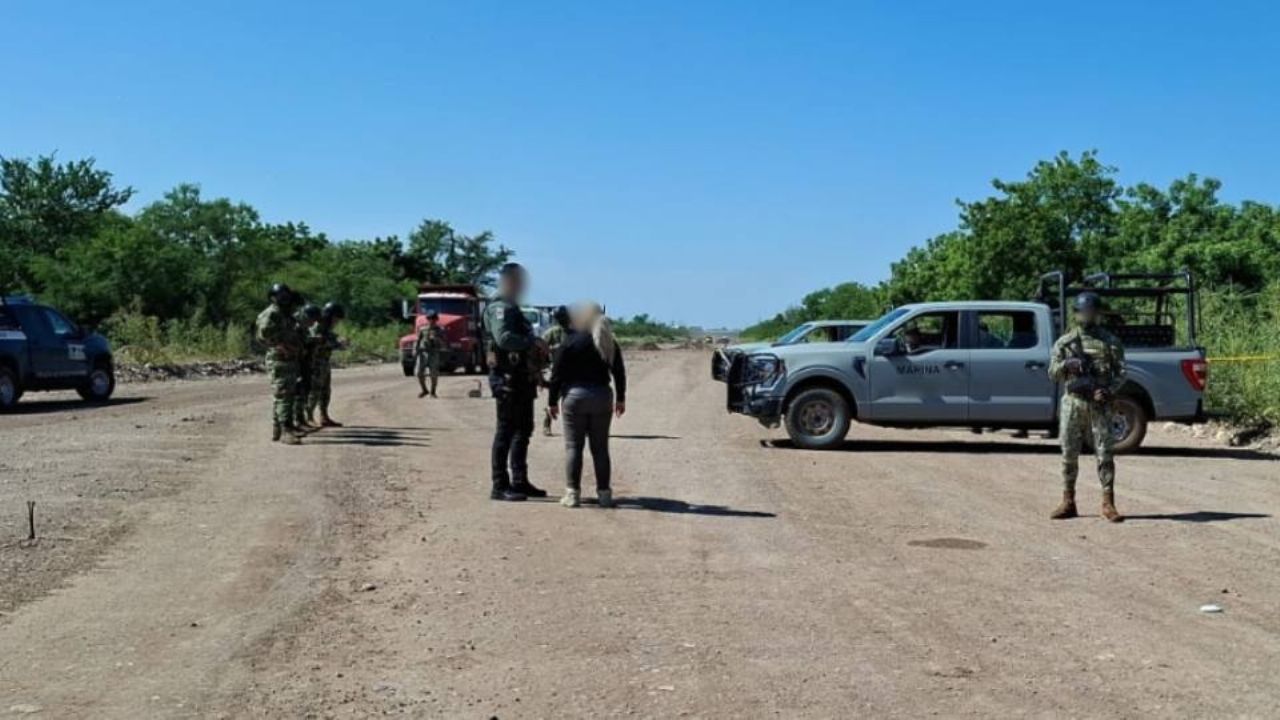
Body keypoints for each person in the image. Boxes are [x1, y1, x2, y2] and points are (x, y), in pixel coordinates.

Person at [1048, 292, 1127, 522]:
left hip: (1099, 404)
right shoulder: (1066, 342)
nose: (1088, 316)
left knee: (1105, 453)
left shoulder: (1109, 341)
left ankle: (1108, 503)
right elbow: (1052, 373)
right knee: (1068, 453)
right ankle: (1068, 501)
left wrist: (1109, 390)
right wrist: (1066, 364)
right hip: (1073, 403)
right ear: (1076, 313)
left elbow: (1121, 373)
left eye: (1092, 312)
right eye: (1084, 312)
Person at [547, 302, 627, 509]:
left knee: (574, 447)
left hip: (575, 397)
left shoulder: (570, 341)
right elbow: (619, 372)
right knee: (600, 449)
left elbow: (557, 375)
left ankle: (572, 494)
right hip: (602, 396)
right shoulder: (609, 342)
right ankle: (604, 495)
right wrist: (621, 399)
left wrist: (552, 402)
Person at [484, 263, 549, 501]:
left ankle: (519, 481)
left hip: (522, 377)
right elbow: (504, 339)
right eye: (519, 281)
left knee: (524, 430)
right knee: (506, 431)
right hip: (507, 378)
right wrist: (531, 342)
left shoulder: (513, 307)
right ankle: (500, 485)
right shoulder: (499, 308)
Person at [256, 283, 305, 445]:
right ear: (273, 298)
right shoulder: (271, 314)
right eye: (281, 296)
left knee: (286, 394)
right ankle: (286, 430)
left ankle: (278, 429)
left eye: (287, 296)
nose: (285, 299)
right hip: (279, 358)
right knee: (284, 394)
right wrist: (281, 346)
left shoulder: (284, 314)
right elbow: (264, 335)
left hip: (289, 358)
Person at [308, 302, 346, 427]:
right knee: (314, 391)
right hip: (314, 363)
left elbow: (331, 338)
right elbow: (315, 342)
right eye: (336, 319)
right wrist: (336, 344)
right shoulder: (317, 326)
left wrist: (340, 342)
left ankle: (324, 416)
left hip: (324, 363)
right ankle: (308, 418)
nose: (337, 322)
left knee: (325, 391)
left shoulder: (326, 328)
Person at [540, 305, 572, 436]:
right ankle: (547, 424)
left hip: (573, 370)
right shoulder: (552, 333)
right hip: (558, 371)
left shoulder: (573, 331)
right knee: (553, 399)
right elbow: (540, 347)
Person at [294, 303, 322, 429]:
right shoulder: (295, 326)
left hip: (305, 363)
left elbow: (305, 340)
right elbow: (296, 342)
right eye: (313, 320)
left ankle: (301, 420)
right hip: (296, 363)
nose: (314, 323)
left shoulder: (304, 328)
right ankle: (296, 421)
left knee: (304, 391)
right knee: (297, 393)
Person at [416, 311, 446, 398]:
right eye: (429, 318)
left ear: (436, 320)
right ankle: (424, 390)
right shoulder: (423, 329)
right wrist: (416, 351)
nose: (431, 321)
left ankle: (433, 391)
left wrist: (436, 339)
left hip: (434, 353)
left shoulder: (439, 330)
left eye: (433, 319)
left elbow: (443, 343)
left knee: (434, 374)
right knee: (419, 373)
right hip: (423, 352)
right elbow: (418, 340)